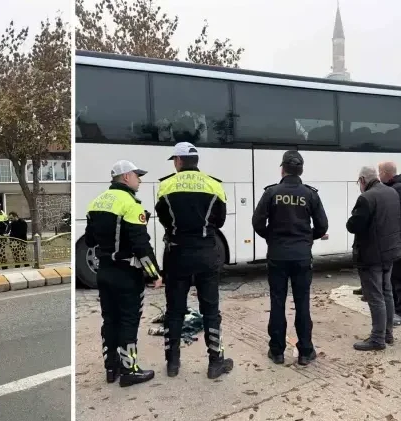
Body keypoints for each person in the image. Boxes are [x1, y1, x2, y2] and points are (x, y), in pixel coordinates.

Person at [155, 142, 233, 379]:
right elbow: (219, 221)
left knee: (174, 310)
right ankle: (215, 362)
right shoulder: (214, 185)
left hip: (177, 254)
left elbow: (164, 218)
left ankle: (172, 364)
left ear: (178, 162)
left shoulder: (165, 185)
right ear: (196, 162)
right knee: (210, 310)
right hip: (206, 253)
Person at [85, 159, 161, 387]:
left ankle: (112, 367)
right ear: (126, 177)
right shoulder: (131, 204)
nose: (140, 180)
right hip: (127, 274)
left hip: (104, 272)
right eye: (137, 176)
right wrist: (154, 274)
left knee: (110, 320)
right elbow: (141, 245)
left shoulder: (96, 202)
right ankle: (130, 370)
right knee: (129, 320)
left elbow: (90, 240)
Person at [252, 151, 328, 366]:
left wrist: (273, 238)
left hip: (277, 255)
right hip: (302, 256)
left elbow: (257, 223)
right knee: (302, 303)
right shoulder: (310, 194)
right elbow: (323, 226)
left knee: (277, 302)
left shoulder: (271, 193)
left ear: (282, 169)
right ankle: (305, 351)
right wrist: (306, 239)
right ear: (301, 170)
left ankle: (277, 351)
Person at [346, 166, 401, 351]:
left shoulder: (366, 198)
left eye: (358, 182)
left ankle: (377, 339)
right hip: (390, 252)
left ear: (363, 180)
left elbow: (353, 225)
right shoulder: (392, 192)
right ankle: (388, 334)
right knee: (387, 292)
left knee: (375, 296)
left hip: (372, 255)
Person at [352, 162, 401, 326]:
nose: (379, 176)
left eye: (381, 172)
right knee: (390, 282)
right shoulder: (393, 190)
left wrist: (390, 238)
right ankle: (391, 319)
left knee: (399, 277)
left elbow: (399, 218)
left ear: (387, 173)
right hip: (394, 241)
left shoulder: (399, 190)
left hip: (398, 241)